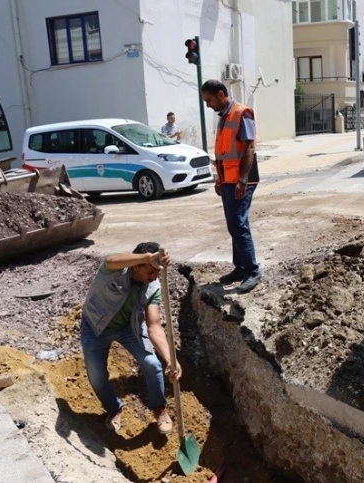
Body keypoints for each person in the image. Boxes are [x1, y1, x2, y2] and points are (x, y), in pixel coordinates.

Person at [80, 242, 181, 434]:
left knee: (153, 364)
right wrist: (147, 258)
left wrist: (171, 360)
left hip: (129, 327)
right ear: (136, 265)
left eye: (156, 273)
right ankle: (114, 409)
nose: (153, 278)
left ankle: (159, 409)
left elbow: (154, 326)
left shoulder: (153, 287)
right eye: (149, 272)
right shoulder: (115, 271)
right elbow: (110, 260)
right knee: (97, 376)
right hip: (95, 327)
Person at [200, 79, 261, 293]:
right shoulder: (224, 117)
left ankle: (253, 271)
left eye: (209, 100)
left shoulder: (242, 113)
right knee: (233, 224)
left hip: (242, 179)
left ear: (220, 94)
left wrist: (242, 180)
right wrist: (220, 179)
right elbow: (224, 153)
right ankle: (240, 267)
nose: (208, 105)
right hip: (228, 180)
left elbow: (249, 147)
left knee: (238, 223)